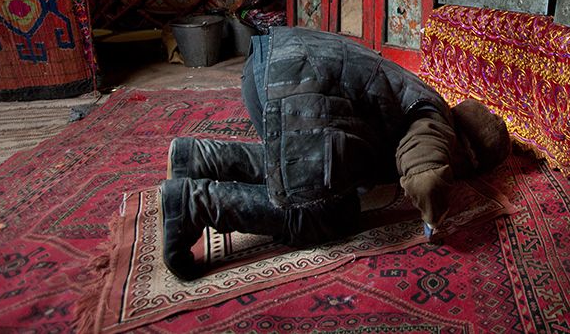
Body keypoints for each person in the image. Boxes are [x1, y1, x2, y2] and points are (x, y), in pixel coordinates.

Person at [159, 26, 511, 280]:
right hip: (297, 84)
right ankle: (196, 204)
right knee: (324, 212)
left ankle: (197, 158)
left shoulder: (418, 92)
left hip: (269, 62)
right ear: (468, 151)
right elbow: (425, 171)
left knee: (298, 164)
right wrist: (434, 219)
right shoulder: (437, 121)